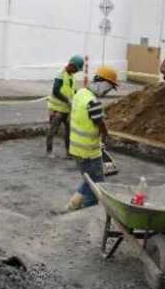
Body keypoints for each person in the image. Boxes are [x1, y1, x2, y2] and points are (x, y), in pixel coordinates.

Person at [65, 66, 119, 211]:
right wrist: (106, 135)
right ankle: (87, 214)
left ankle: (72, 206)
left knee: (89, 180)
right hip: (89, 152)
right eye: (108, 88)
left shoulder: (80, 93)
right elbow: (99, 123)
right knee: (97, 185)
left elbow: (82, 118)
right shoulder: (93, 102)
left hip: (76, 149)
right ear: (102, 83)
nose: (107, 92)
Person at [46, 55, 84, 158]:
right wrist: (67, 100)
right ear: (71, 65)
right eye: (76, 69)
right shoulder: (60, 74)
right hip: (57, 109)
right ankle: (49, 151)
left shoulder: (71, 76)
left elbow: (72, 90)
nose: (76, 71)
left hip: (67, 109)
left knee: (69, 132)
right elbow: (56, 91)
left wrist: (78, 97)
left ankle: (68, 153)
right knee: (53, 131)